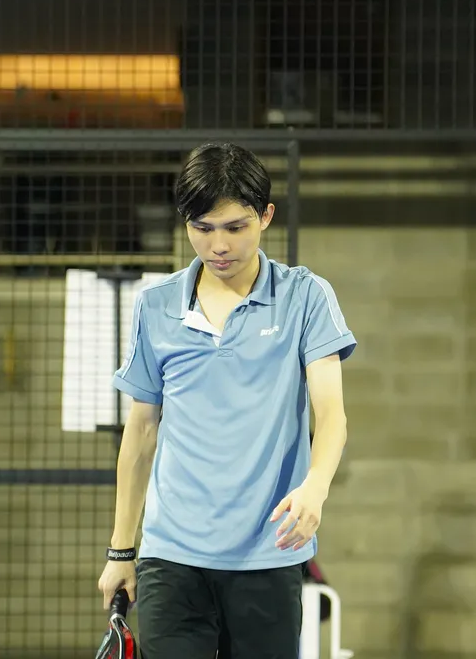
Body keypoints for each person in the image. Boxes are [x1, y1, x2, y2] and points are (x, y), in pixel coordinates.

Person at [97, 142, 356, 659]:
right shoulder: (156, 306)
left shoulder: (306, 296)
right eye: (203, 227)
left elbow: (331, 415)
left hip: (269, 553)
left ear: (266, 216)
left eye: (235, 227)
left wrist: (316, 488)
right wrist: (121, 550)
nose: (218, 245)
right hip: (172, 556)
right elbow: (141, 432)